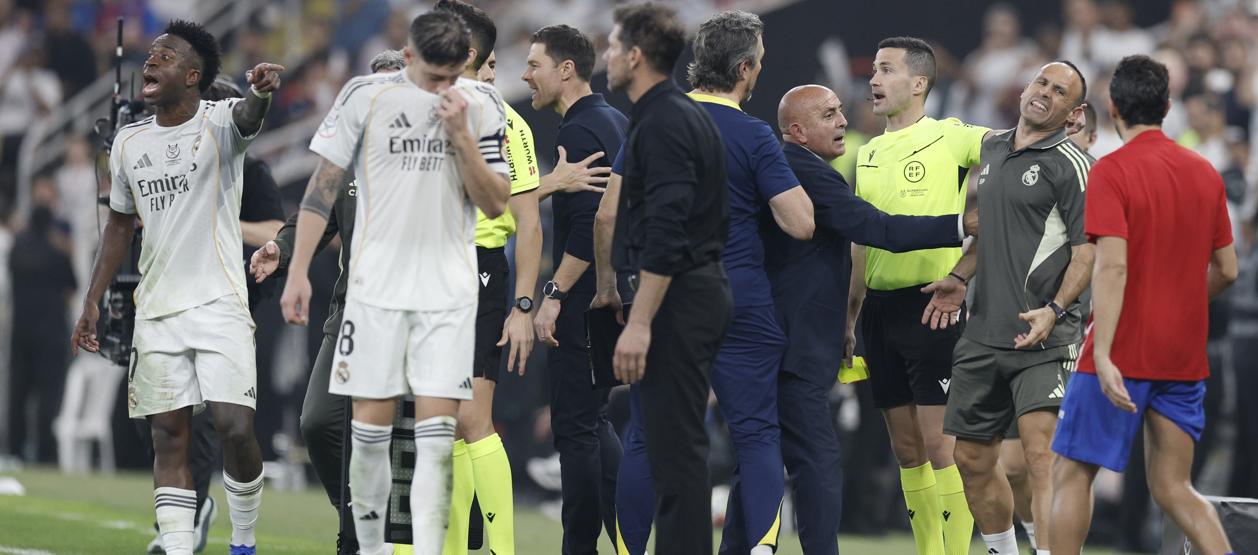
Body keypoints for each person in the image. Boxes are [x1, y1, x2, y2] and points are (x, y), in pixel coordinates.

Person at [278, 11, 510, 555]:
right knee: (367, 433)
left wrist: (461, 139)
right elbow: (321, 190)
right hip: (375, 291)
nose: (444, 88)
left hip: (446, 295)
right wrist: (296, 272)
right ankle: (373, 547)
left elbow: (497, 201)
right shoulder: (365, 97)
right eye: (434, 76)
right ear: (407, 59)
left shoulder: (483, 105)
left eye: (454, 75)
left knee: (433, 441)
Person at [69, 19, 283, 555]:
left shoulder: (220, 123)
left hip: (220, 304)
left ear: (192, 75)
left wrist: (258, 91)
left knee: (235, 428)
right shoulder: (129, 142)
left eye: (164, 56)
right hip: (158, 308)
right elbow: (119, 224)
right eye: (151, 54)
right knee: (169, 437)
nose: (150, 62)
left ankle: (244, 541)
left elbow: (249, 114)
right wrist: (92, 299)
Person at [764, 83, 973, 554]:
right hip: (813, 334)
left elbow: (852, 245)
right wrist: (961, 224)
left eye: (841, 111)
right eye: (829, 115)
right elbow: (874, 229)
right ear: (797, 131)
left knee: (935, 448)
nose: (842, 121)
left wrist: (849, 315)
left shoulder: (950, 136)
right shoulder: (817, 169)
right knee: (823, 455)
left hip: (897, 313)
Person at [1050, 54, 1238, 555]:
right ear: (1168, 106)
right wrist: (1178, 303)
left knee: (1071, 473)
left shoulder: (1111, 171)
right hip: (1182, 355)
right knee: (1175, 488)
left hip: (1123, 347)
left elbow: (1111, 266)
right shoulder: (1206, 173)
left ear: (1112, 108)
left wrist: (1106, 353)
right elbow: (1228, 270)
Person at [919, 61, 1093, 555]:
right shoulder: (992, 147)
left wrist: (1056, 311)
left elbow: (1087, 249)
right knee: (971, 459)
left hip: (1045, 335)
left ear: (1073, 112)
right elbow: (992, 230)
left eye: (1059, 92)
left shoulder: (1073, 164)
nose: (1044, 93)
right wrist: (958, 277)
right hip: (983, 331)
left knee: (1041, 457)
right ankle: (1002, 549)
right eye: (1041, 82)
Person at [674, 11, 819, 555]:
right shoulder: (754, 134)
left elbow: (610, 217)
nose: (760, 71)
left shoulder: (656, 121)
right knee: (756, 434)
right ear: (742, 69)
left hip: (666, 298)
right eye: (758, 62)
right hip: (740, 298)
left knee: (648, 435)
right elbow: (800, 222)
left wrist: (616, 288)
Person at [249, 49, 404, 555]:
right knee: (319, 422)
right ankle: (361, 525)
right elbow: (316, 212)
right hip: (352, 309)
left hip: (414, 308)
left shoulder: (426, 150)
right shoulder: (349, 154)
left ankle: (376, 540)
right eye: (371, 88)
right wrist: (282, 249)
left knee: (412, 433)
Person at [848, 36, 992, 555]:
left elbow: (1013, 147)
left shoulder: (951, 137)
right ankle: (929, 550)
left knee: (940, 446)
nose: (874, 80)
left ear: (919, 82)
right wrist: (851, 315)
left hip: (932, 305)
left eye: (886, 70)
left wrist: (964, 273)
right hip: (879, 313)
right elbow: (862, 241)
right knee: (906, 449)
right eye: (874, 70)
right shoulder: (866, 152)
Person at [142, 75, 288, 555]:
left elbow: (275, 228)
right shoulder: (177, 167)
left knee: (229, 424)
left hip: (236, 303)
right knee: (179, 421)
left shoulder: (254, 169)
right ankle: (190, 514)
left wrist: (221, 218)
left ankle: (228, 527)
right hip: (179, 303)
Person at [605, 4, 730, 553]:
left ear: (635, 56)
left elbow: (667, 231)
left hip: (681, 298)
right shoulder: (662, 114)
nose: (606, 56)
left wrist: (639, 323)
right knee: (668, 454)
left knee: (677, 459)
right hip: (688, 292)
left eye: (612, 47)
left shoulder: (665, 121)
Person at [426, 4, 545, 554]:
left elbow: (527, 219)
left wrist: (523, 305)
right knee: (443, 424)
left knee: (473, 416)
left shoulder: (504, 118)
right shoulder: (427, 105)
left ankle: (500, 548)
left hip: (476, 266)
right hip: (428, 268)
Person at [522, 22, 627, 554]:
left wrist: (555, 294)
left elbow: (590, 223)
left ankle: (579, 548)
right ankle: (630, 536)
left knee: (576, 429)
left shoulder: (578, 132)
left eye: (534, 64)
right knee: (593, 420)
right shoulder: (614, 121)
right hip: (614, 289)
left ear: (566, 70)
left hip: (585, 296)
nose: (525, 76)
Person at [995, 98, 1097, 551]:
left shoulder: (1094, 180)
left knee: (1044, 460)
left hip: (1066, 336)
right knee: (1013, 467)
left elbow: (1103, 261)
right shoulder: (1021, 172)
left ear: (1088, 136)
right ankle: (1040, 538)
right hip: (1010, 331)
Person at [8, 176, 75, 464]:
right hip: (51, 332)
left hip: (21, 332)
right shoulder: (58, 253)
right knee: (50, 396)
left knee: (18, 394)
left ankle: (14, 450)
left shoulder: (17, 249)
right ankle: (48, 453)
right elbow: (71, 288)